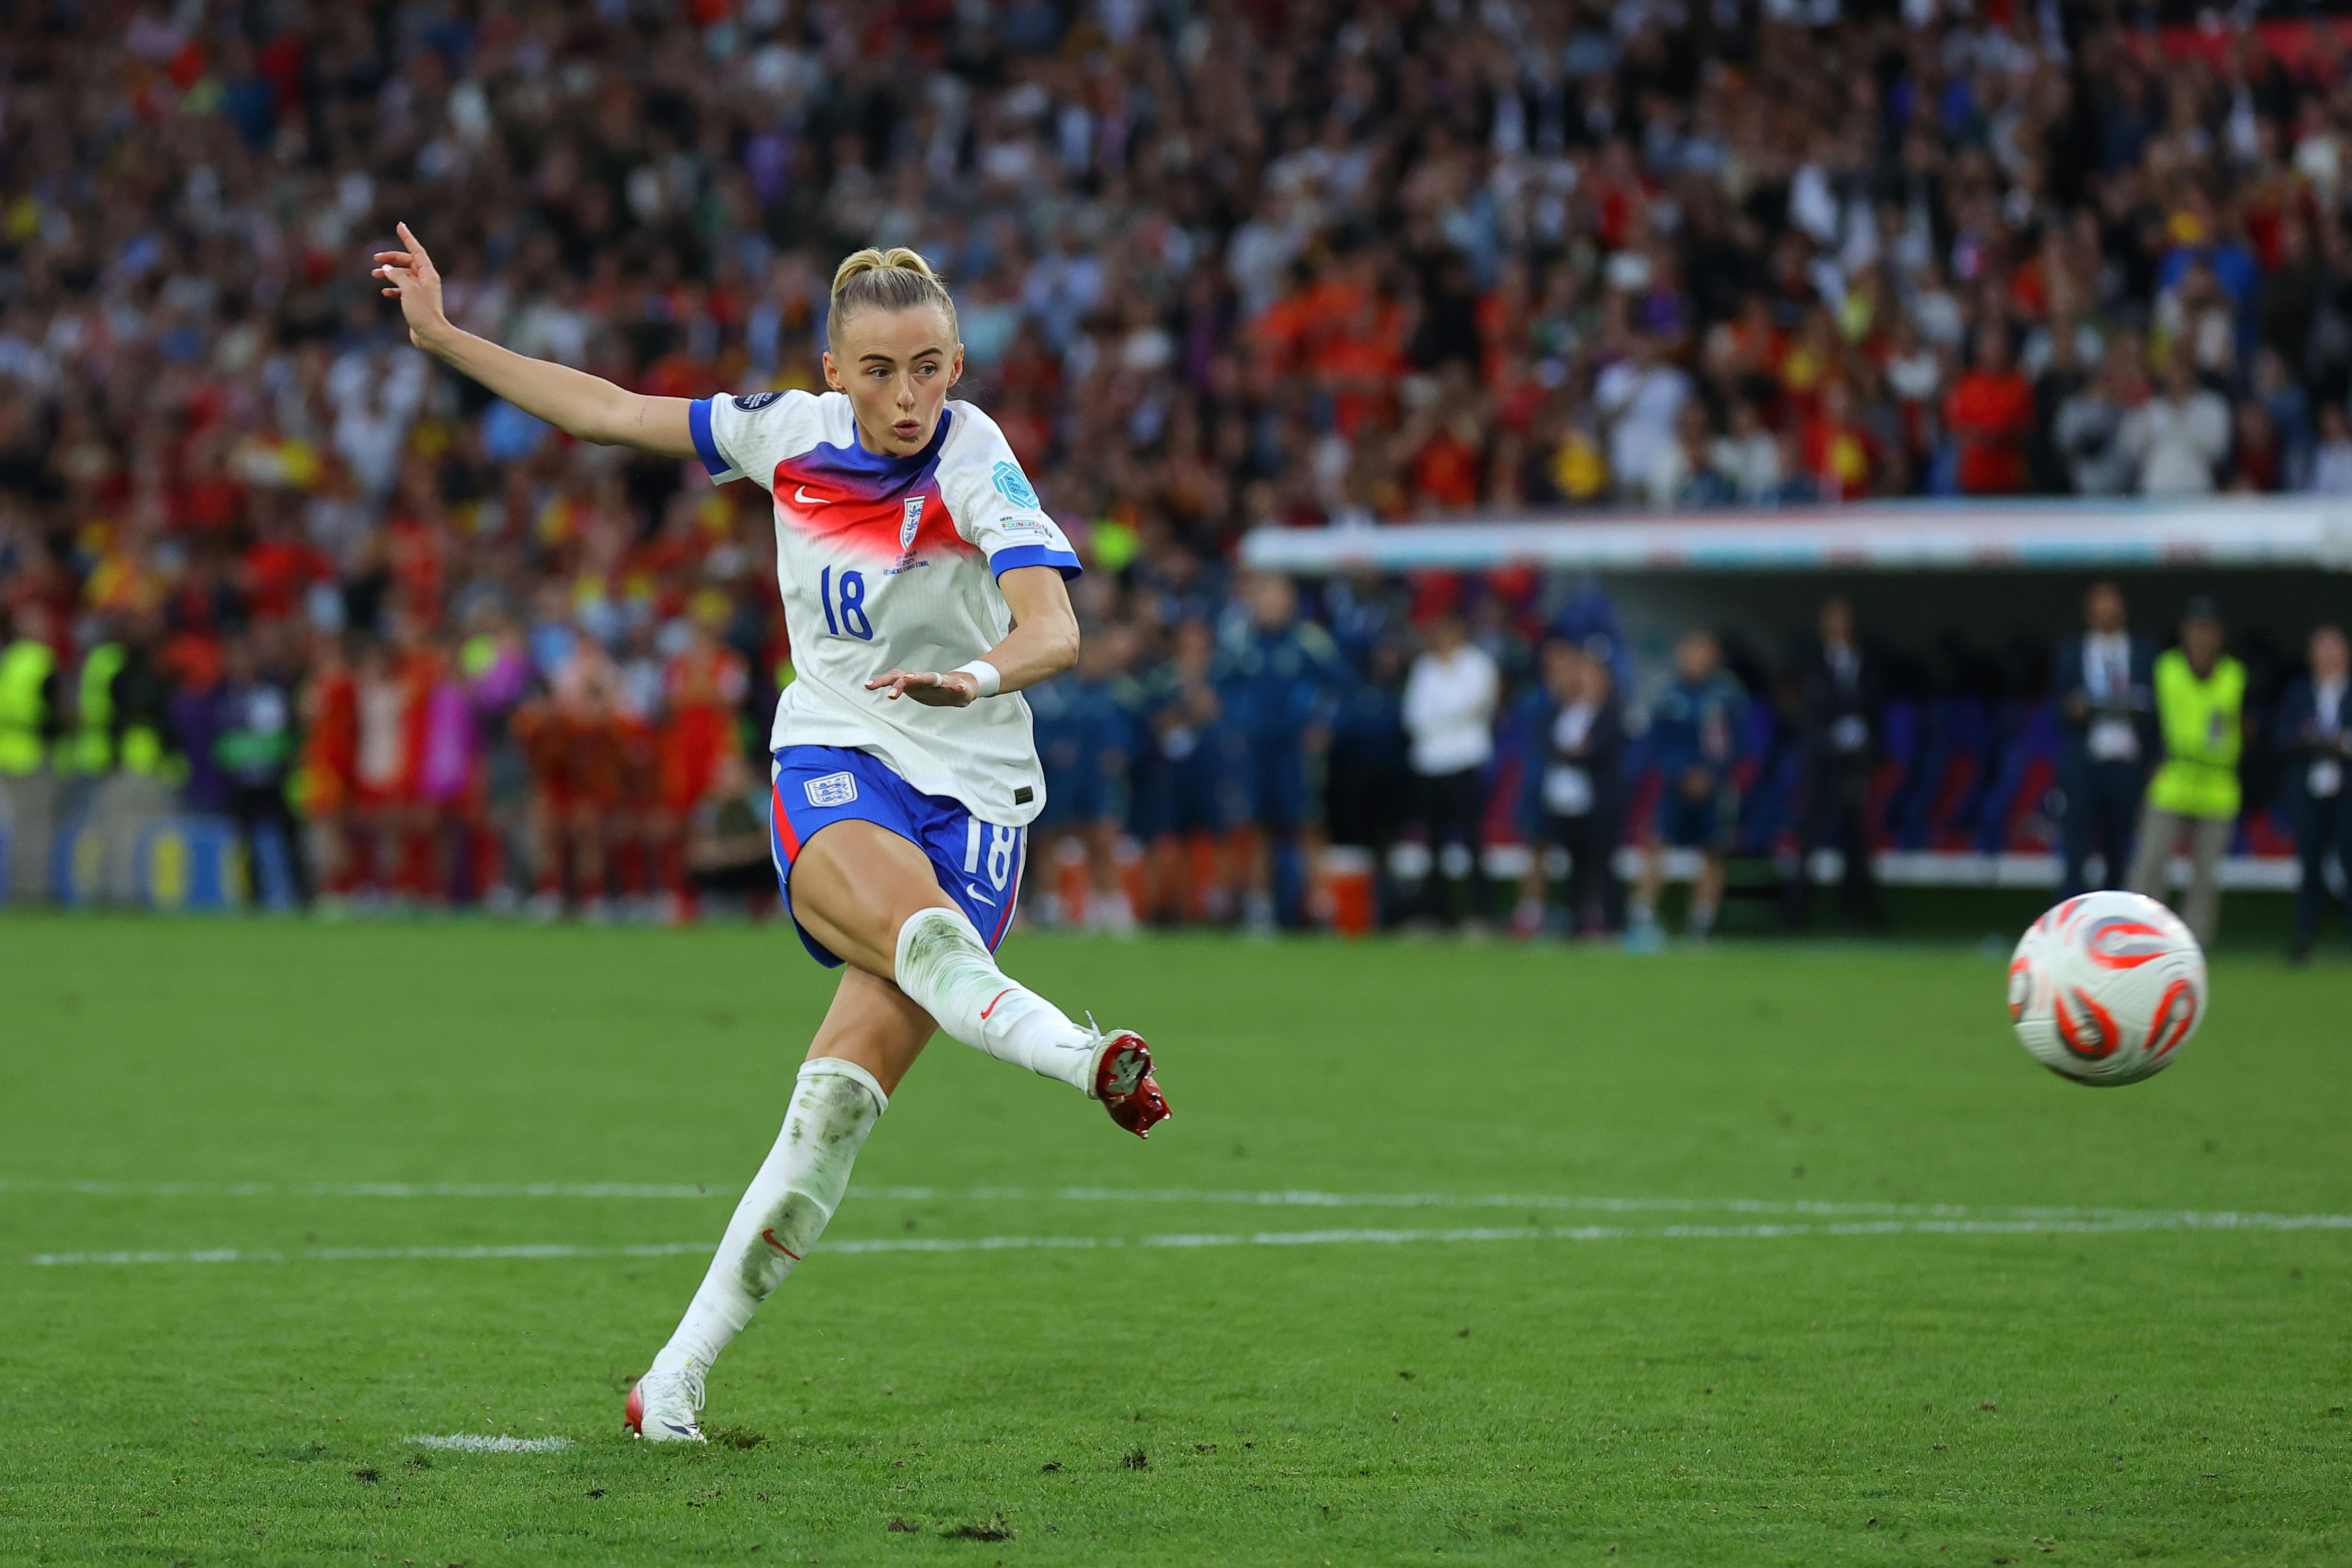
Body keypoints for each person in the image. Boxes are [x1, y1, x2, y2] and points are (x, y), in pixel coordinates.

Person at [373, 230, 1170, 1444]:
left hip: (980, 794)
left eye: (931, 366)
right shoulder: (786, 436)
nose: (909, 397)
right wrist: (442, 336)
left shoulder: (976, 459)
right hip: (842, 754)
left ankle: (671, 1379)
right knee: (926, 943)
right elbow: (608, 411)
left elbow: (1053, 629)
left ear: (958, 363)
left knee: (835, 1111)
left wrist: (972, 676)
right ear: (831, 369)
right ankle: (1084, 1056)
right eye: (880, 369)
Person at [2127, 598, 2245, 947]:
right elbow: (2145, 718)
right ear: (2184, 632)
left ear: (2220, 635)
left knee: (2205, 878)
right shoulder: (2166, 668)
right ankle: (2139, 939)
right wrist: (2150, 761)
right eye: (2196, 628)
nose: (2202, 637)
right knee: (2149, 865)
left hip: (2217, 784)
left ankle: (2192, 951)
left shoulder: (2234, 675)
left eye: (2209, 629)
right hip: (2174, 778)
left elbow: (2246, 728)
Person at [1633, 630, 1748, 942]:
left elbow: (1739, 742)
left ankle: (1702, 923)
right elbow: (1656, 743)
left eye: (1703, 651)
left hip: (1714, 786)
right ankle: (1642, 917)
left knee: (1712, 851)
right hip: (1675, 785)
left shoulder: (1727, 695)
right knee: (1657, 844)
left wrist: (1713, 775)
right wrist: (1681, 772)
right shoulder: (1667, 694)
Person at [1782, 598, 1885, 931]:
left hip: (1854, 765)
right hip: (1821, 765)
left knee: (1855, 842)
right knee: (1809, 840)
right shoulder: (1812, 661)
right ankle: (1796, 918)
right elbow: (1811, 704)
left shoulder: (1867, 661)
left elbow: (1874, 704)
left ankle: (1851, 916)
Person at [2053, 582, 2156, 899]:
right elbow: (2057, 707)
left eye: (2112, 605)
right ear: (2089, 613)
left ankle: (2114, 928)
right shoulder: (2072, 653)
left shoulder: (2143, 653)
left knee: (2120, 850)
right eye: (2100, 606)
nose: (2107, 612)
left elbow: (2156, 710)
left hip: (2127, 762)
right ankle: (2069, 928)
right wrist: (2073, 707)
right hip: (2086, 763)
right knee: (2076, 849)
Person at [1516, 637, 1625, 936]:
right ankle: (1577, 921)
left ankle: (1612, 921)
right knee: (1575, 864)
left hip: (1599, 800)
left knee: (1601, 862)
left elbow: (1600, 750)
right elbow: (1550, 743)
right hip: (1567, 801)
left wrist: (1575, 753)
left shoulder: (1610, 712)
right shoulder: (1559, 708)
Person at [1399, 609, 1500, 928]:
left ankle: (1480, 914)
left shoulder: (1478, 666)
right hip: (1430, 765)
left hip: (1466, 762)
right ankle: (1436, 914)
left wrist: (1439, 719)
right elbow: (1414, 718)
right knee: (1434, 843)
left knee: (1473, 841)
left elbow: (1474, 706)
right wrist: (1446, 719)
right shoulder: (1425, 668)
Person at [2273, 624, 2352, 962]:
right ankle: (2305, 938)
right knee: (2309, 866)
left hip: (2347, 790)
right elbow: (2280, 736)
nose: (2329, 655)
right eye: (2322, 648)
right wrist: (2306, 737)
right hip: (2310, 788)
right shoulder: (2299, 692)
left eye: (2335, 648)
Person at [0, 601, 65, 905]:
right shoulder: (41, 660)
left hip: (6, 751)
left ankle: (17, 890)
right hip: (31, 753)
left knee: (15, 829)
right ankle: (34, 893)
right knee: (36, 829)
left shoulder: (9, 659)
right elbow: (56, 710)